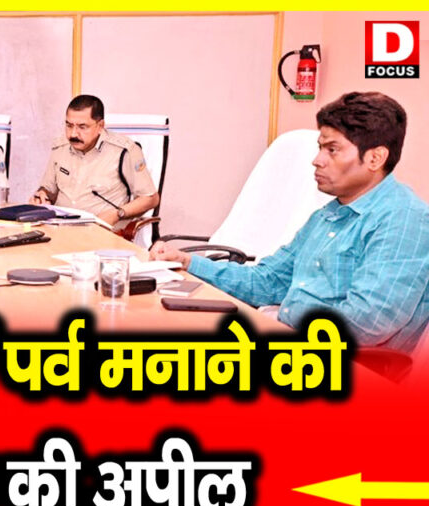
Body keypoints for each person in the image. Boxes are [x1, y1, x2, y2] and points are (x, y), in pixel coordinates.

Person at [150, 91, 429, 352]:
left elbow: (366, 325)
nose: (316, 160)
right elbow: (267, 281)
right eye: (320, 148)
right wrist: (187, 262)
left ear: (375, 158)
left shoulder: (404, 220)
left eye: (332, 150)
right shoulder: (327, 216)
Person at [33, 94, 158, 226]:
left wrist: (118, 213)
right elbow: (49, 191)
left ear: (100, 126)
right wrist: (42, 195)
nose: (73, 134)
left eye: (82, 127)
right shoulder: (60, 147)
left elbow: (150, 199)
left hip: (101, 231)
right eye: (69, 125)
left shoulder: (124, 151)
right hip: (59, 227)